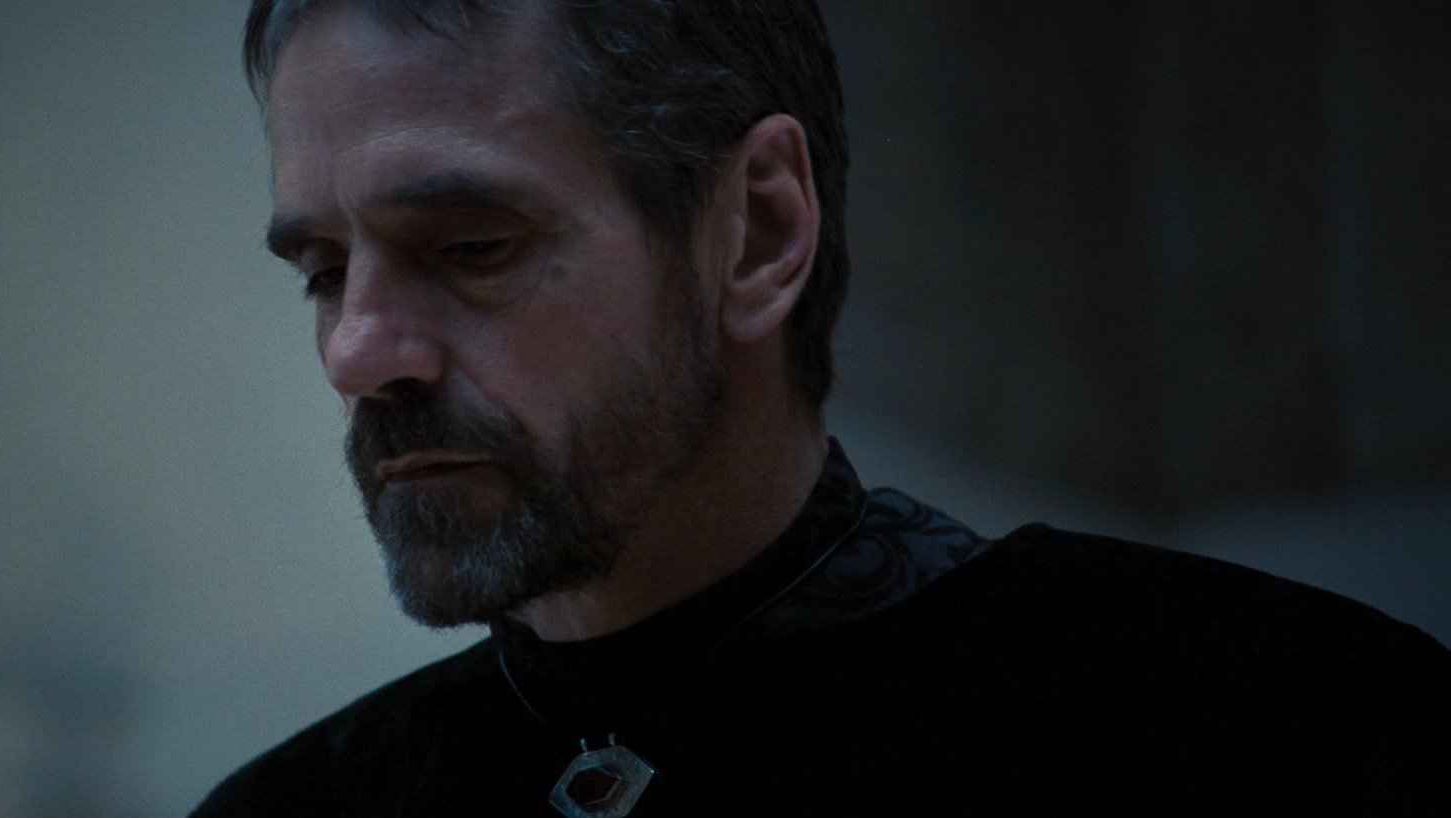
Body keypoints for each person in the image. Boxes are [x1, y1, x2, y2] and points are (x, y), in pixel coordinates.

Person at [195, 1, 1451, 815]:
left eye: (473, 246)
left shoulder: (1276, 733)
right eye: (324, 272)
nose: (357, 351)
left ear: (759, 232)